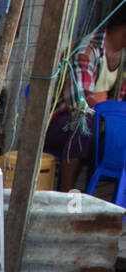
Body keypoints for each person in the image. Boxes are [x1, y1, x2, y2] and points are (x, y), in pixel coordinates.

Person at [45, 7, 126, 191]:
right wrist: (108, 117)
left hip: (101, 120)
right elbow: (79, 103)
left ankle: (113, 199)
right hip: (62, 122)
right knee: (85, 123)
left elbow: (119, 103)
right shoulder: (88, 50)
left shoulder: (123, 57)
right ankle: (66, 194)